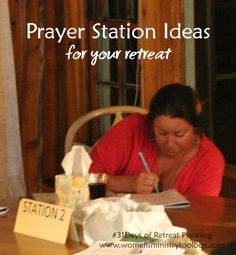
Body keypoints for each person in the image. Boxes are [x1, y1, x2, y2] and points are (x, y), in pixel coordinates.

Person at [89, 83, 225, 196]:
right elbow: (84, 178)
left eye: (179, 134)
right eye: (162, 133)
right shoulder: (132, 130)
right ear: (151, 123)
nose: (169, 143)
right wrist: (128, 183)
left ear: (195, 128)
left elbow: (202, 214)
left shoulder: (209, 160)